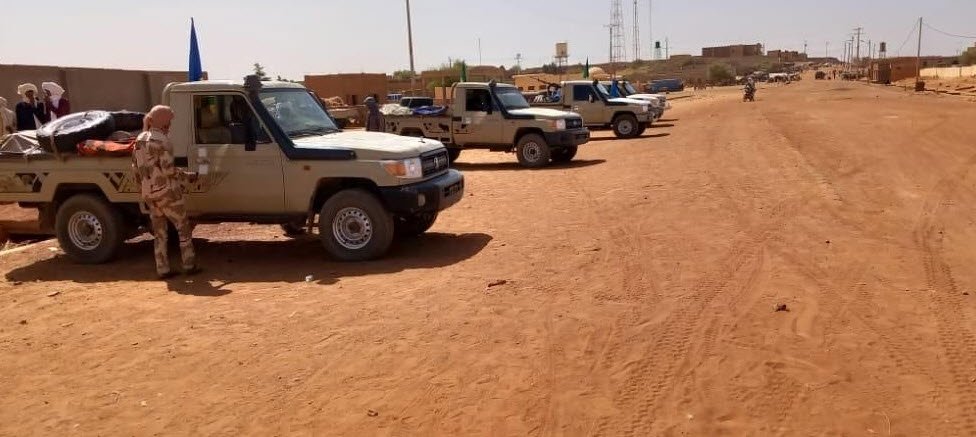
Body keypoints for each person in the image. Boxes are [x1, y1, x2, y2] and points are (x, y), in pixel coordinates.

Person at [132, 105, 200, 279]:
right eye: (169, 121)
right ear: (164, 122)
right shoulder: (162, 141)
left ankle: (162, 268)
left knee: (160, 233)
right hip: (167, 192)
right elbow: (169, 170)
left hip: (149, 193)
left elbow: (135, 169)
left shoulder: (140, 139)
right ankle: (189, 264)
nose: (170, 125)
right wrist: (188, 176)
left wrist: (144, 189)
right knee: (183, 227)